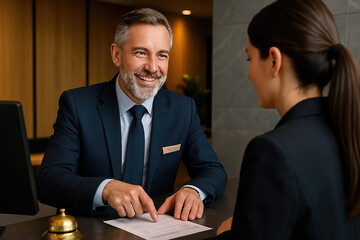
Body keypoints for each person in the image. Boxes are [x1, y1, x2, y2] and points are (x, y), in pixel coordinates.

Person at [36, 8, 227, 222]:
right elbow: (48, 181)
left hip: (155, 227)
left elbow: (213, 170)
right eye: (141, 53)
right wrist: (106, 189)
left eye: (162, 55)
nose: (153, 67)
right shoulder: (77, 105)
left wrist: (194, 190)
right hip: (93, 229)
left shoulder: (183, 109)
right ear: (116, 55)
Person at [214, 0, 360, 239]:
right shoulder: (348, 130)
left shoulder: (272, 151)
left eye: (250, 59)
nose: (249, 73)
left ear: (274, 60)